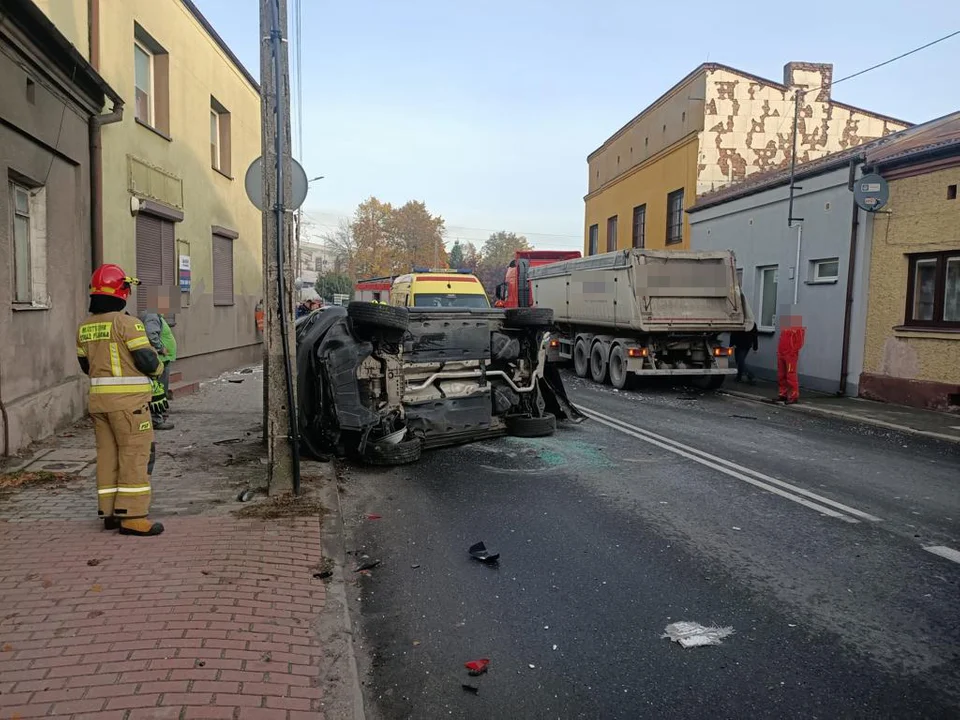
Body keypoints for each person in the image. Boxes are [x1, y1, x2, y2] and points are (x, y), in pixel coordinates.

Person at [77, 264, 166, 536]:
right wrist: (159, 370)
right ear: (122, 291)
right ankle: (133, 516)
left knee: (107, 456)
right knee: (135, 455)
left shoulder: (85, 327)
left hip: (99, 404)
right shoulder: (128, 324)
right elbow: (147, 360)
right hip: (129, 405)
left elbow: (84, 365)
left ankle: (110, 512)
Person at [140, 287, 178, 430]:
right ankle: (156, 419)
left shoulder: (155, 315)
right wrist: (161, 348)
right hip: (159, 360)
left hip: (163, 359)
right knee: (159, 390)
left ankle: (159, 415)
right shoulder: (152, 315)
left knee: (159, 389)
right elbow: (151, 335)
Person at [777, 312, 806, 404]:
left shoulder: (797, 327)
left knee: (791, 375)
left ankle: (794, 396)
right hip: (782, 353)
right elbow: (782, 339)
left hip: (790, 355)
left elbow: (799, 342)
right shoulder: (785, 327)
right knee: (782, 375)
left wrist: (792, 351)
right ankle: (783, 394)